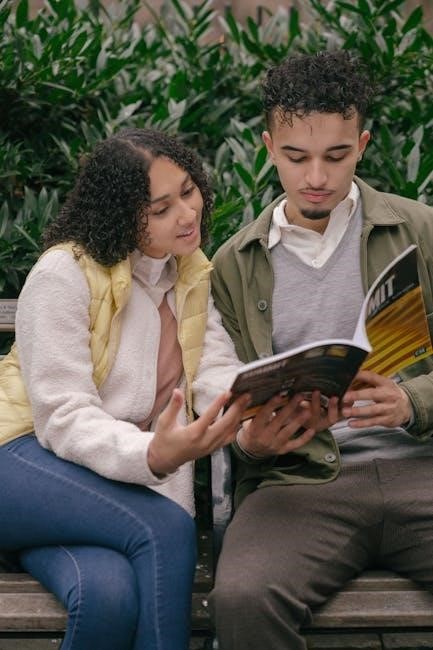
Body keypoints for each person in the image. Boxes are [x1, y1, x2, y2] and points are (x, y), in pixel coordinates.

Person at [0, 127, 257, 650]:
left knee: (108, 594)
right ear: (122, 215)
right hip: (20, 458)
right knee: (167, 528)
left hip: (89, 492)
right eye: (161, 209)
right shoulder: (64, 273)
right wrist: (153, 453)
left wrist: (257, 403)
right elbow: (62, 417)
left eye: (188, 191)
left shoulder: (190, 274)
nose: (186, 213)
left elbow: (213, 373)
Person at [209, 50, 433, 649]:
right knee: (242, 599)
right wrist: (250, 442)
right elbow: (220, 387)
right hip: (299, 484)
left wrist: (412, 401)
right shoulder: (235, 263)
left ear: (362, 145)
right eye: (296, 156)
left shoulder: (421, 231)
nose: (316, 176)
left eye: (336, 156)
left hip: (421, 469)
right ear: (267, 149)